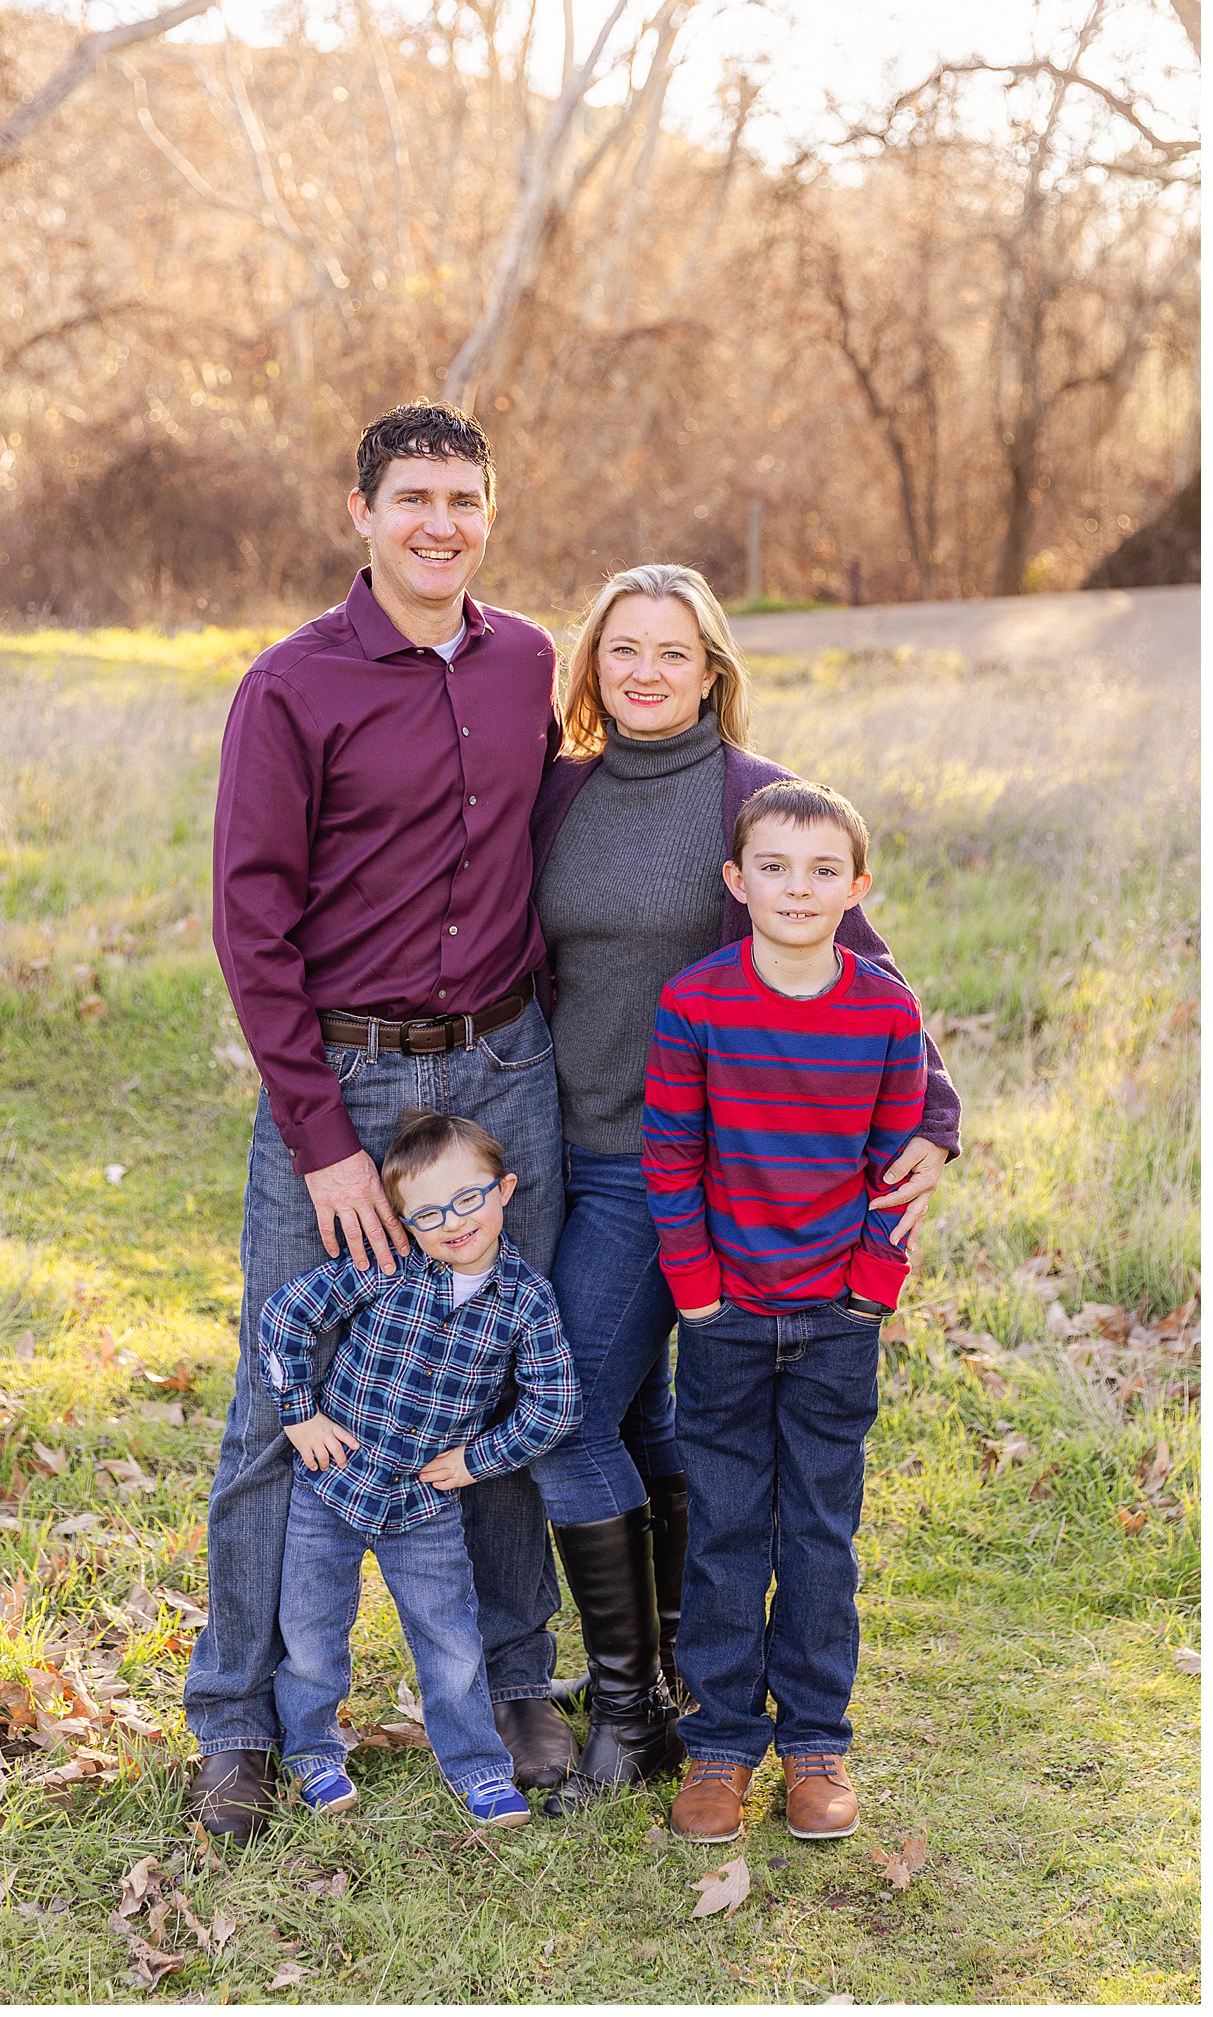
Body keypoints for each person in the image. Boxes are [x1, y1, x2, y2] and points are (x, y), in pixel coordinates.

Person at [187, 402, 577, 1841]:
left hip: (498, 1075)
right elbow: (251, 923)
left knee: (492, 1375)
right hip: (346, 1090)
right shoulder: (291, 688)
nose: (439, 524)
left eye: (463, 500)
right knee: (281, 1400)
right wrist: (321, 1141)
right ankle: (238, 1718)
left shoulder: (532, 660)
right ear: (359, 513)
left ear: (489, 513)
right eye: (411, 497)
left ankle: (518, 1685)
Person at [528, 563, 960, 1816]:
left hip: (703, 1189)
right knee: (652, 1432)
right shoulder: (561, 793)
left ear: (714, 665)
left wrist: (932, 1120)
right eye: (623, 650)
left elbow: (865, 978)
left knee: (572, 1416)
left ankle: (642, 1706)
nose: (646, 670)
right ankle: (679, 1692)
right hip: (575, 1148)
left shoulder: (753, 803)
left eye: (674, 650)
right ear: (593, 666)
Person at [644, 777, 927, 1845]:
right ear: (736, 879)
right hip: (721, 1313)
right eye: (772, 866)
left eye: (821, 870)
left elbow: (892, 1168)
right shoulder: (695, 1002)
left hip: (834, 1318)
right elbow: (669, 1159)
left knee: (817, 1532)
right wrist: (696, 1292)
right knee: (722, 1530)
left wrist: (868, 1292)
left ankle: (815, 1741)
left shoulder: (884, 1008)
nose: (795, 887)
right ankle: (719, 1745)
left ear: (856, 886)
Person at [258, 1111, 579, 1830]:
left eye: (468, 1199)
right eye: (428, 1213)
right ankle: (311, 1750)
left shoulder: (526, 1300)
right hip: (331, 1487)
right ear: (403, 1219)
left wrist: (477, 1458)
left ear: (504, 1190)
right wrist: (299, 1412)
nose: (453, 1223)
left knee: (450, 1640)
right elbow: (284, 1316)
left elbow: (555, 1404)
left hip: (424, 1507)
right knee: (310, 1634)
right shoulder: (387, 1265)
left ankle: (478, 1768)